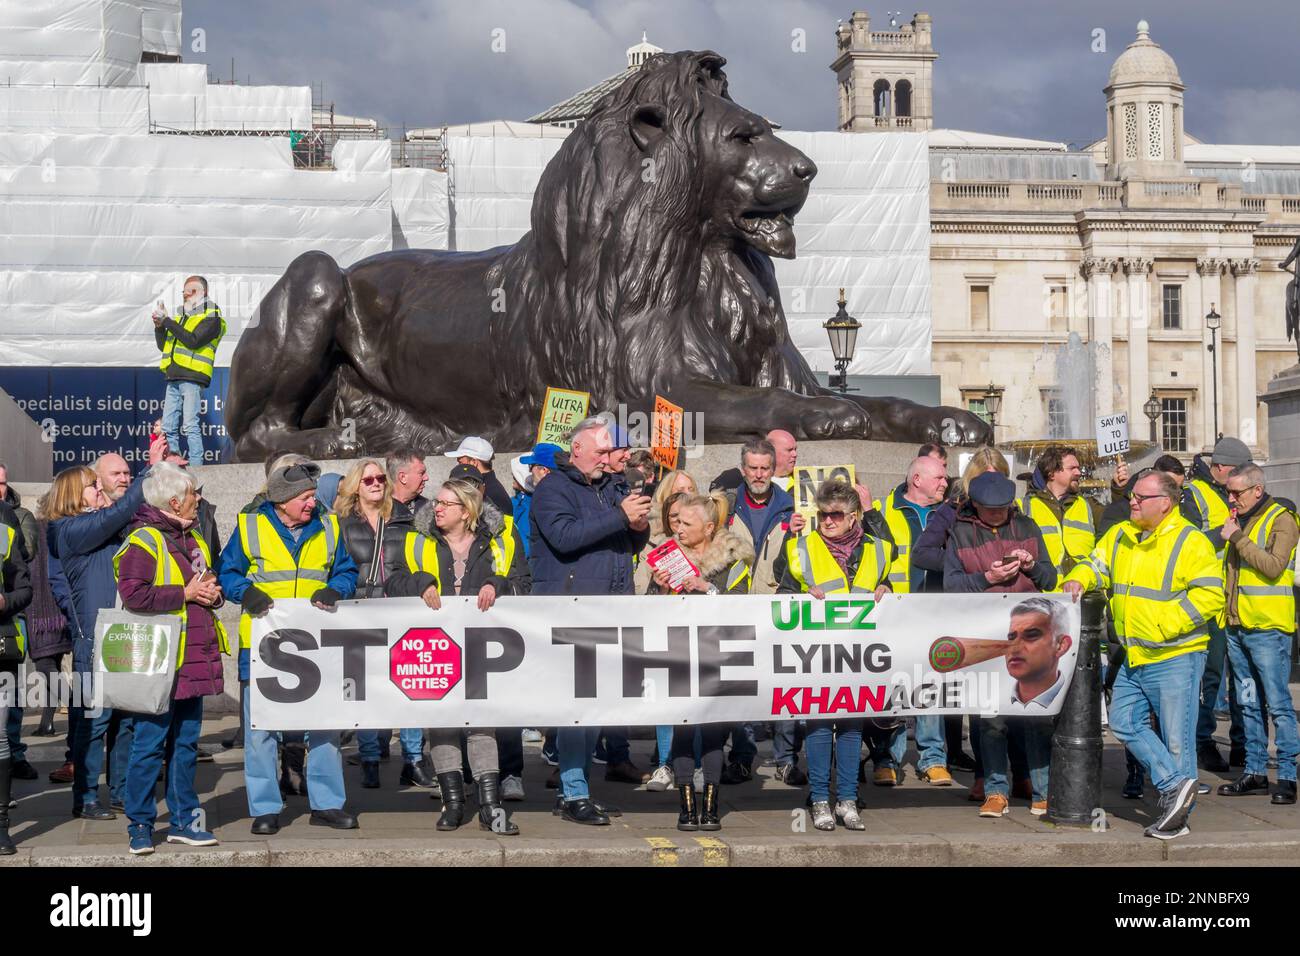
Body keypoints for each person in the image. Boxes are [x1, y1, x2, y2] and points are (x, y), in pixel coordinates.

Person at [1064, 469, 1224, 840]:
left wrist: (1160, 627)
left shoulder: (1191, 542)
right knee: (1122, 721)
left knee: (1177, 741)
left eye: (1140, 497)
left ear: (1165, 504)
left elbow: (1210, 597)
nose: (1131, 501)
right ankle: (1173, 785)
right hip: (1135, 655)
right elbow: (1095, 563)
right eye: (1133, 495)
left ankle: (1177, 818)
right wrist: (1080, 578)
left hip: (1175, 655)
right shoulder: (1121, 534)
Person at [218, 460, 360, 834]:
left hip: (316, 646)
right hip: (264, 648)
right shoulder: (250, 527)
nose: (313, 503)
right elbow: (228, 572)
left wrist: (337, 588)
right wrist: (244, 592)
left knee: (325, 725)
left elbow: (347, 571)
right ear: (283, 501)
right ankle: (265, 807)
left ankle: (326, 804)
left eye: (313, 496)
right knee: (260, 730)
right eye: (306, 497)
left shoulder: (328, 526)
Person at [386, 478, 530, 833]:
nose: (437, 507)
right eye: (437, 502)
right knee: (443, 726)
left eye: (446, 504)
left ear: (466, 512)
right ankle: (453, 803)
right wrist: (420, 582)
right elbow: (393, 583)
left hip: (483, 647)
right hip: (436, 647)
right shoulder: (417, 540)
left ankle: (490, 806)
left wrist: (497, 585)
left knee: (482, 726)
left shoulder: (500, 539)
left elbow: (523, 583)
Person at [530, 417, 651, 825]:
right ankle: (573, 792)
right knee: (575, 709)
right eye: (600, 452)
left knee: (594, 708)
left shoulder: (608, 487)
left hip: (610, 609)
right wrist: (620, 516)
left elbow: (626, 544)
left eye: (608, 451)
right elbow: (565, 538)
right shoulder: (552, 489)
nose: (607, 459)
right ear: (576, 449)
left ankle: (575, 790)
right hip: (571, 611)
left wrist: (637, 525)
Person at [47, 440, 164, 820]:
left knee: (126, 719)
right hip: (93, 642)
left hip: (124, 635)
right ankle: (85, 798)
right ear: (73, 495)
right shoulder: (68, 529)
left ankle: (119, 791)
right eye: (94, 486)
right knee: (93, 724)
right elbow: (113, 516)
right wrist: (148, 472)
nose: (101, 491)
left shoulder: (103, 523)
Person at [113, 463, 226, 854]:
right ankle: (140, 825)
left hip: (193, 658)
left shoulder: (194, 536)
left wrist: (213, 593)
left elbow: (206, 581)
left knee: (185, 745)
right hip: (160, 662)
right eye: (194, 492)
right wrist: (186, 594)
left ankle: (183, 821)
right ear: (174, 500)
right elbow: (134, 596)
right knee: (149, 745)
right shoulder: (143, 540)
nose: (199, 498)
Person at [774, 479, 893, 831]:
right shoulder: (800, 547)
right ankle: (821, 800)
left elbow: (897, 589)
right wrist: (798, 593)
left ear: (854, 516)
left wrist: (887, 589)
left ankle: (848, 799)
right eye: (823, 514)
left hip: (858, 652)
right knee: (820, 726)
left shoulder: (879, 549)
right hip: (816, 652)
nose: (827, 521)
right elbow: (780, 594)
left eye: (836, 515)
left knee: (852, 728)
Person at [942, 471, 1058, 816]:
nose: (996, 515)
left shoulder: (1027, 527)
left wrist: (1032, 565)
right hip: (985, 635)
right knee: (991, 717)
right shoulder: (959, 532)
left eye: (1002, 509)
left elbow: (1050, 578)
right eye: (989, 510)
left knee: (1035, 715)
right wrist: (987, 578)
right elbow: (951, 586)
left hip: (1029, 633)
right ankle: (995, 789)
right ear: (975, 506)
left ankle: (1043, 790)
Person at [646, 493, 752, 830]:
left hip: (716, 657)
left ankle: (710, 805)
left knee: (712, 733)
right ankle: (686, 805)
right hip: (677, 654)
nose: (677, 530)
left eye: (686, 524)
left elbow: (743, 606)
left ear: (708, 528)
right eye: (676, 523)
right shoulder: (669, 558)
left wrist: (707, 589)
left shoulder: (734, 559)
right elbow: (646, 611)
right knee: (682, 730)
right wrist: (661, 589)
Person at [334, 459, 432, 791]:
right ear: (354, 487)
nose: (376, 483)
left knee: (410, 687)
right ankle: (371, 759)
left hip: (400, 610)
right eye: (368, 480)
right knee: (363, 690)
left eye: (380, 478)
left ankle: (413, 759)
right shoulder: (343, 525)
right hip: (359, 612)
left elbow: (420, 561)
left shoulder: (406, 520)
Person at [717, 439, 804, 784]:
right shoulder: (726, 506)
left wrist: (801, 532)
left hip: (778, 606)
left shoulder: (793, 507)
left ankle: (786, 758)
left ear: (774, 469)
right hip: (735, 609)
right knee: (741, 688)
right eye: (752, 468)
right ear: (742, 469)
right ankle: (741, 757)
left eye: (764, 468)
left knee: (783, 687)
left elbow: (807, 557)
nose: (758, 474)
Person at [1216, 464, 1299, 805]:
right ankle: (1254, 772)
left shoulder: (1282, 520)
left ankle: (1289, 776)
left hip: (1268, 629)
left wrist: (1236, 536)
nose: (1231, 498)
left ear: (1257, 490)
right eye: (1228, 492)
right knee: (1247, 702)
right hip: (1237, 626)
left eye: (1236, 492)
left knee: (1278, 704)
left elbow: (1273, 566)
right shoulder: (1240, 520)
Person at [872, 455, 951, 786]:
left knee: (930, 685)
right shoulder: (884, 509)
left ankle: (932, 758)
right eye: (940, 478)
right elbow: (873, 554)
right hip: (896, 612)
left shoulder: (948, 513)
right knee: (892, 686)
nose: (945, 483)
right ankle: (887, 758)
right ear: (917, 479)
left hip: (934, 611)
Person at [1186, 436, 1251, 774]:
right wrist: (1221, 534)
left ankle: (1242, 743)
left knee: (1241, 677)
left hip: (1236, 599)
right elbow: (1187, 542)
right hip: (1208, 598)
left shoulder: (1236, 495)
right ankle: (1203, 741)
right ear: (1222, 468)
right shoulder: (1194, 494)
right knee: (1209, 676)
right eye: (1238, 471)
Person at [1020, 445, 1128, 588]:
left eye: (1078, 468)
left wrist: (1119, 489)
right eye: (1072, 468)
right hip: (1044, 597)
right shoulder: (1023, 507)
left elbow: (1117, 522)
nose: (1079, 472)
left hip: (1083, 595)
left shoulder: (1088, 505)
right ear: (1052, 473)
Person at [152, 275, 225, 467]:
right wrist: (159, 327)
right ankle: (172, 460)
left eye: (191, 290)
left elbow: (193, 340)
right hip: (173, 375)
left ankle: (196, 467)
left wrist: (167, 321)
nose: (185, 294)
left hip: (192, 377)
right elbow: (164, 346)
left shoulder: (212, 316)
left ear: (203, 293)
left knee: (190, 424)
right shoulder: (182, 317)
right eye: (184, 290)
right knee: (167, 426)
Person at [0, 509, 32, 855]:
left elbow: (25, 589)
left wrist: (5, 600)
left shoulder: (4, 528)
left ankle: (1, 827)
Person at [710, 428, 799, 494]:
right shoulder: (735, 478)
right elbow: (713, 495)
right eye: (789, 450)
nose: (795, 454)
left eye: (795, 449)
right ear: (772, 450)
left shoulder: (803, 479)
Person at [444, 436, 512, 514]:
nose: (458, 467)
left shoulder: (490, 494)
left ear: (474, 462)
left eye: (460, 463)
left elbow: (502, 525)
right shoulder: (483, 488)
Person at [387, 448, 431, 522]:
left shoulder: (428, 508)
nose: (427, 478)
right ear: (403, 477)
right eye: (421, 473)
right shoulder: (378, 508)